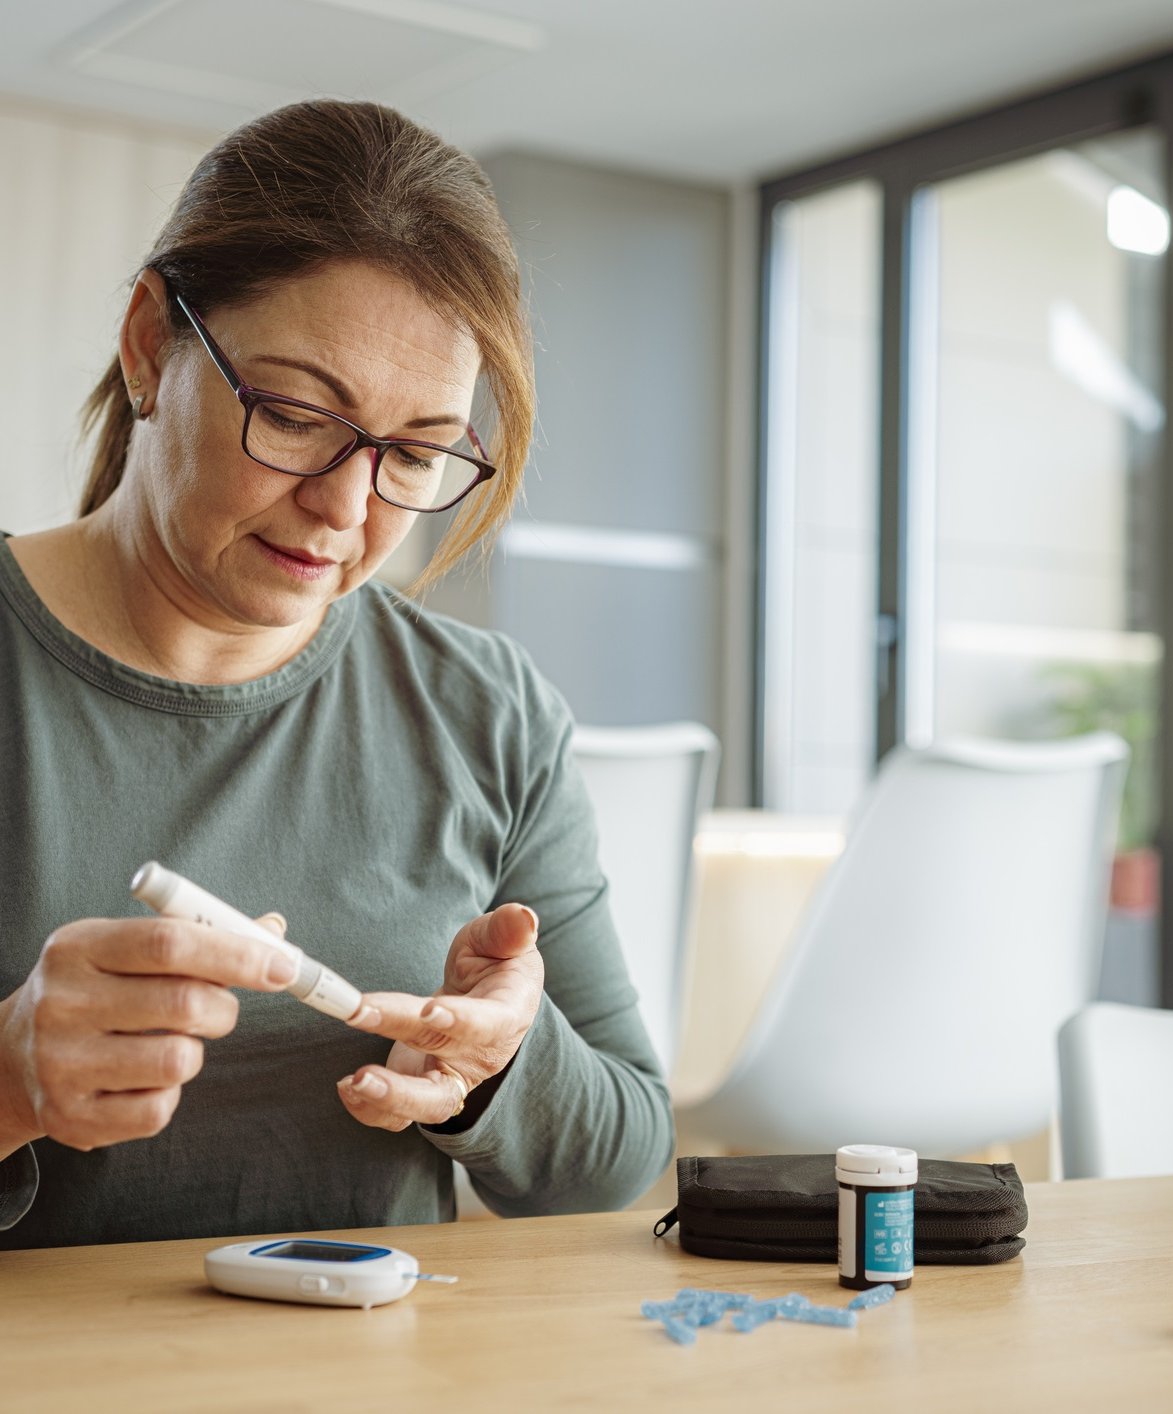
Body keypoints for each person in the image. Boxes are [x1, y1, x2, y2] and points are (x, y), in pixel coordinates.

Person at [0, 100, 674, 1248]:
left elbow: (620, 1158)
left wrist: (502, 1062)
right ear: (151, 343)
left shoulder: (486, 712)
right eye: (299, 416)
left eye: (416, 453)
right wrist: (9, 1084)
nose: (348, 509)